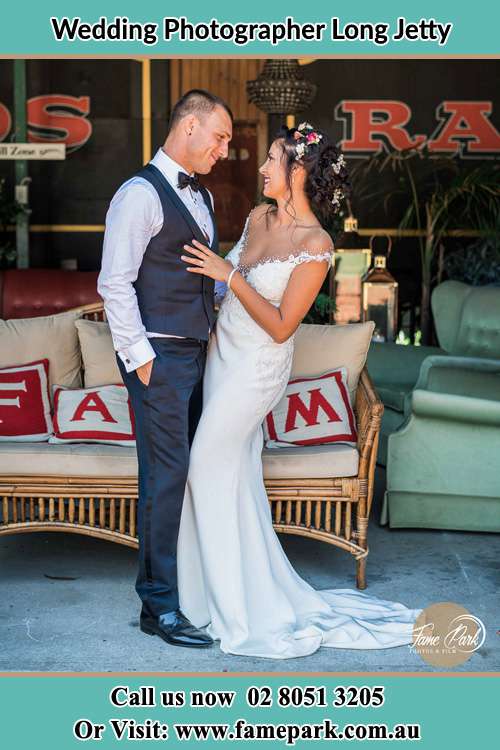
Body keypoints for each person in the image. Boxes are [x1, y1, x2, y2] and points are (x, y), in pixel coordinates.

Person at [177, 122, 423, 659]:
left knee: (203, 465)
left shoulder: (316, 246)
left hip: (257, 369)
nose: (262, 168)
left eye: (271, 161)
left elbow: (284, 325)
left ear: (298, 173)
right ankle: (210, 600)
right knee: (233, 474)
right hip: (222, 356)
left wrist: (230, 275)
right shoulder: (257, 216)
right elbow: (223, 287)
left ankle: (234, 609)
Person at [98, 89, 233, 649]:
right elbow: (115, 282)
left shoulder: (198, 195)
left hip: (195, 356)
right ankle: (158, 607)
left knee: (187, 473)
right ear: (191, 127)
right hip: (160, 358)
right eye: (220, 137)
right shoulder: (139, 194)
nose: (224, 150)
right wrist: (144, 362)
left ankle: (185, 591)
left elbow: (207, 279)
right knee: (164, 479)